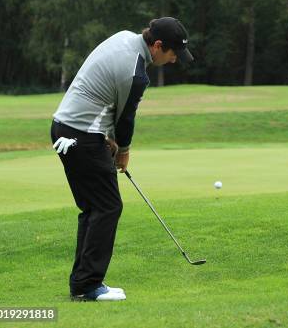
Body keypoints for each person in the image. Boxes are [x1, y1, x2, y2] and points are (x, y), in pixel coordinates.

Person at [50, 17, 193, 301]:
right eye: (173, 52)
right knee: (107, 207)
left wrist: (106, 136)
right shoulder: (136, 74)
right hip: (81, 136)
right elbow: (125, 119)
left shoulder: (124, 38)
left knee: (94, 208)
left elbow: (108, 100)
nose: (175, 59)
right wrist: (123, 151)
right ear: (158, 46)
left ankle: (82, 283)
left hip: (66, 128)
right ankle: (88, 286)